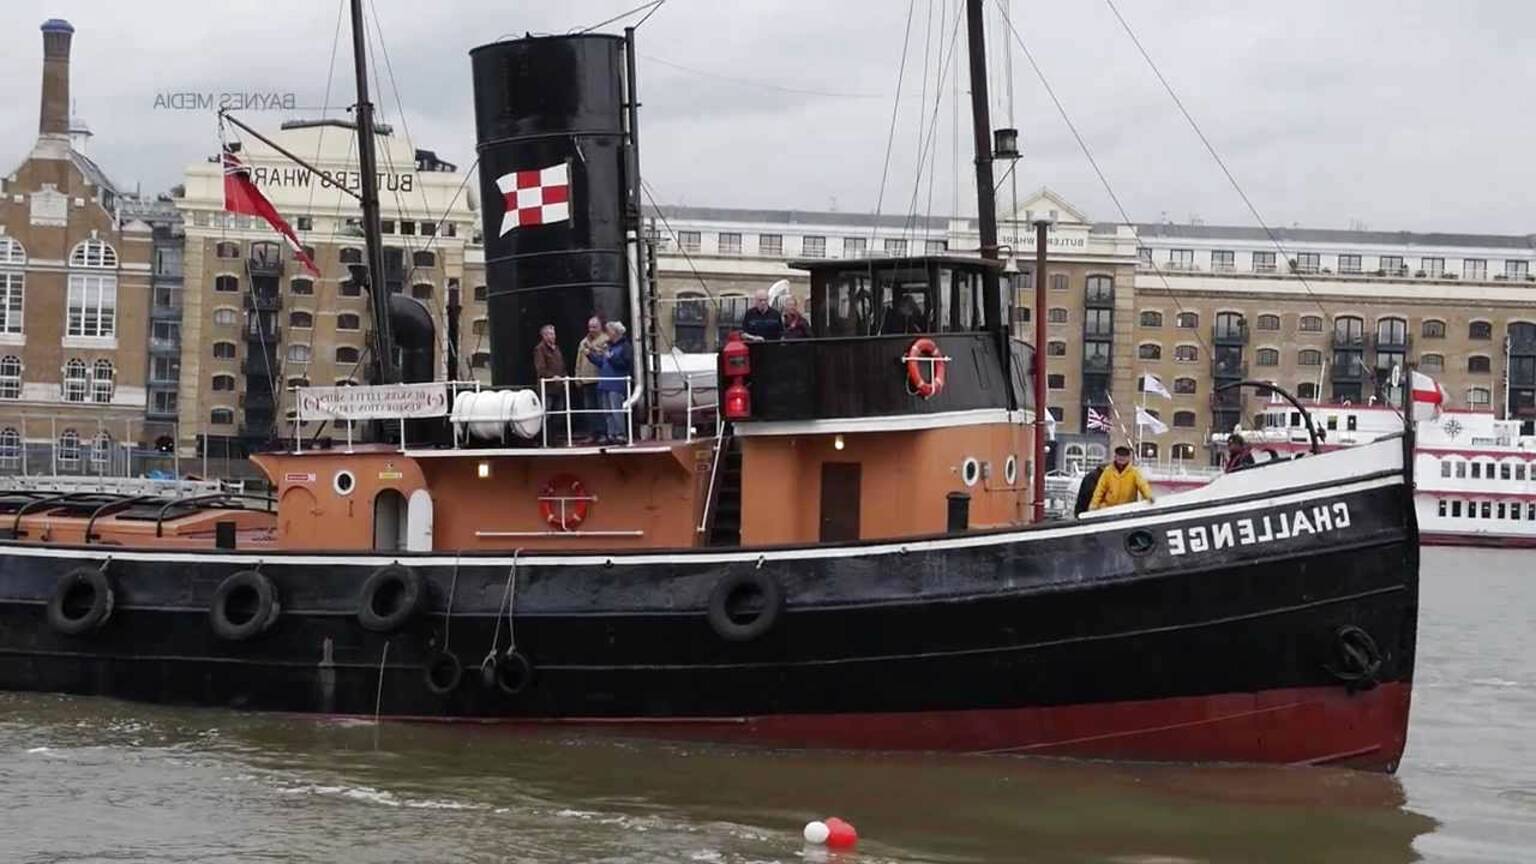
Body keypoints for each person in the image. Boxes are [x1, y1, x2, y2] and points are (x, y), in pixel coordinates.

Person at [591, 321, 632, 444]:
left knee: (616, 410)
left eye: (609, 331)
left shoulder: (625, 347)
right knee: (607, 411)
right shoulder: (608, 346)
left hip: (616, 383)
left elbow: (625, 364)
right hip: (605, 383)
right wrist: (590, 356)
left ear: (615, 332)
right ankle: (611, 434)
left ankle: (621, 434)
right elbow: (602, 363)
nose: (607, 333)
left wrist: (610, 357)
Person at [572, 316, 607, 441]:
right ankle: (593, 433)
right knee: (589, 408)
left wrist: (592, 350)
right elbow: (579, 361)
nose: (591, 329)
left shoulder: (605, 340)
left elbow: (605, 358)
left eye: (594, 327)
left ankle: (603, 433)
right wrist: (577, 376)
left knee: (601, 407)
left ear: (600, 327)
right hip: (586, 380)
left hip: (599, 379)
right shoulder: (583, 342)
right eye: (590, 327)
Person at [1090, 445, 1155, 510]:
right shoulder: (1107, 472)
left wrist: (1149, 496)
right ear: (1115, 457)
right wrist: (1094, 504)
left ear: (1128, 458)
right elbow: (1099, 489)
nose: (1121, 458)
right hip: (1109, 509)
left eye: (1124, 456)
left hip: (1127, 509)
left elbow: (1143, 485)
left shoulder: (1134, 472)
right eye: (1119, 456)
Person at [532, 324, 567, 443]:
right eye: (550, 334)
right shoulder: (539, 349)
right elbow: (540, 369)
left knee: (559, 414)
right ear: (544, 335)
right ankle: (545, 439)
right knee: (546, 414)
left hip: (559, 387)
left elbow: (561, 365)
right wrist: (553, 376)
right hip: (547, 388)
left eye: (553, 333)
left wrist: (564, 377)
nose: (553, 336)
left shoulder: (557, 348)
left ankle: (555, 437)